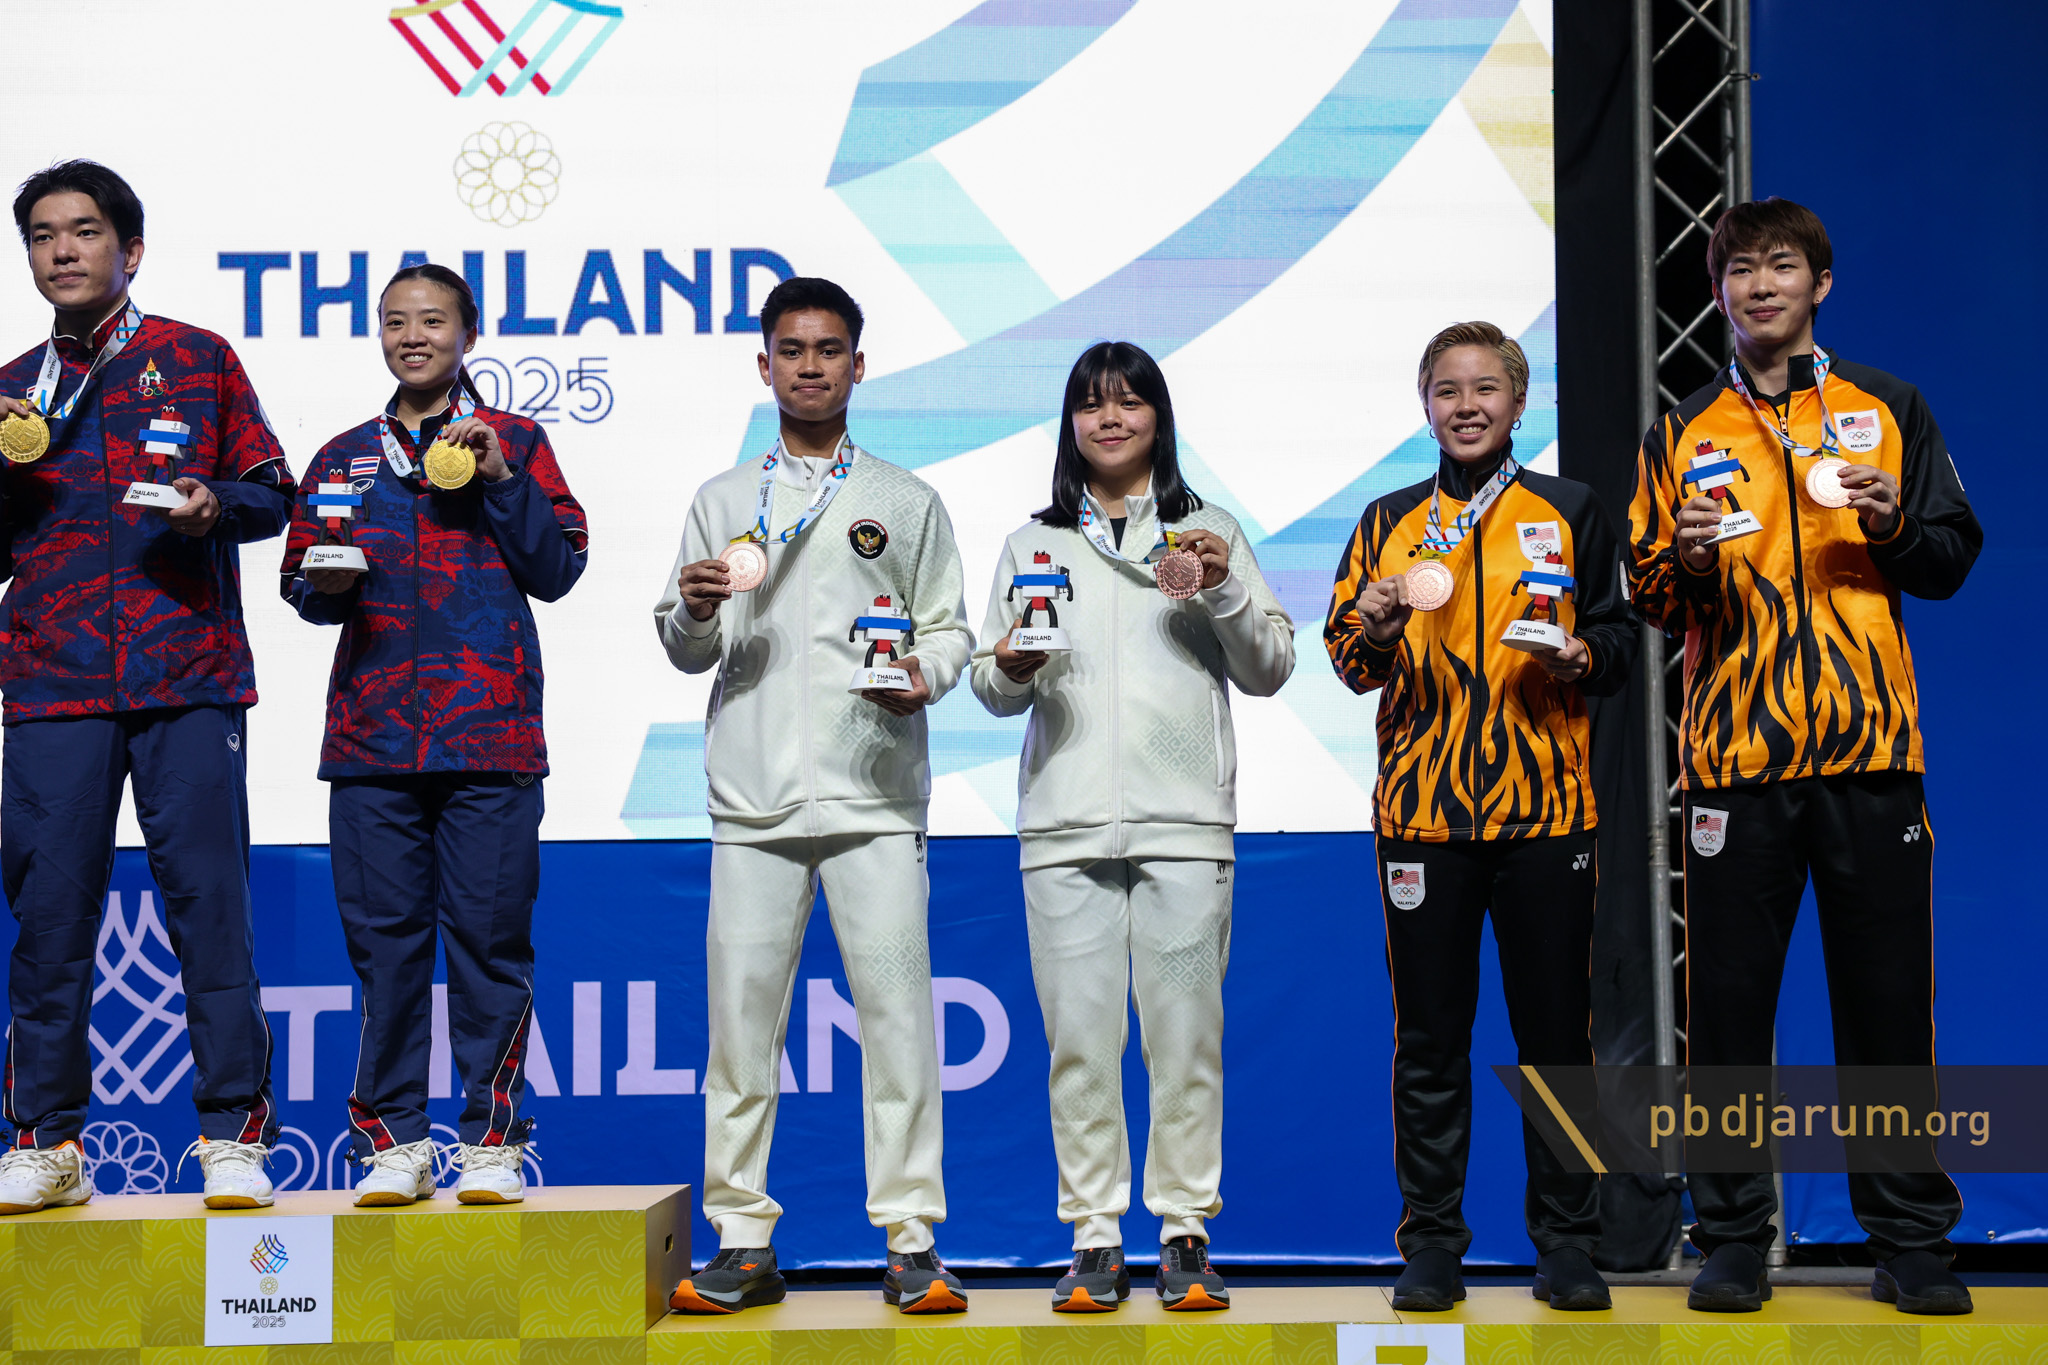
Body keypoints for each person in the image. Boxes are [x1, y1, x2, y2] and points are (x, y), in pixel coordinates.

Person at [1626, 198, 1979, 1316]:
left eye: (1780, 265)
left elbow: (1948, 556)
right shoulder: (1681, 430)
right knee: (1728, 1013)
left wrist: (1890, 524)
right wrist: (1684, 560)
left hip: (1871, 758)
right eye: (1738, 270)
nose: (1759, 285)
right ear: (1717, 293)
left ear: (1819, 283)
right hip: (1735, 765)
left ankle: (1909, 1241)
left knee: (1886, 1006)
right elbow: (1645, 593)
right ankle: (1732, 1237)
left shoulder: (1887, 408)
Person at [653, 277, 973, 1315]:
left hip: (875, 799)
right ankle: (742, 1238)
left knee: (898, 1028)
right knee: (741, 1035)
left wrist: (923, 673)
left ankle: (912, 1241)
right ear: (764, 366)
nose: (809, 366)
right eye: (790, 350)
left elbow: (950, 629)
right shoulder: (721, 499)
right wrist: (693, 611)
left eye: (828, 349)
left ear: (857, 365)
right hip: (752, 804)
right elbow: (682, 643)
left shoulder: (904, 499)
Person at [970, 341, 1293, 1313]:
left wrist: (1222, 585)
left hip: (1184, 824)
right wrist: (1010, 666)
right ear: (1069, 424)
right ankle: (1095, 1237)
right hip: (1063, 827)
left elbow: (1271, 666)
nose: (1109, 419)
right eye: (1090, 404)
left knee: (1184, 1041)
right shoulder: (1032, 543)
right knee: (1079, 1045)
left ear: (1159, 416)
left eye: (1128, 401)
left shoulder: (1208, 531)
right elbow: (988, 685)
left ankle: (1185, 1231)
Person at [1324, 321, 1637, 1313]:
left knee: (1557, 1042)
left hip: (1547, 817)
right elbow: (1347, 661)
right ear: (1425, 405)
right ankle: (1430, 1245)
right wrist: (1375, 628)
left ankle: (1569, 1245)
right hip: (1422, 822)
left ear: (1518, 402)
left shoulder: (1570, 510)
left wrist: (1580, 656)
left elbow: (1620, 640)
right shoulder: (1385, 521)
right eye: (1447, 389)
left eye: (1485, 388)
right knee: (1428, 1041)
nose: (1466, 406)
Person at [0, 161, 290, 1214]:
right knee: (48, 924)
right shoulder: (10, 393)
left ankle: (232, 1136)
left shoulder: (197, 360)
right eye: (42, 235)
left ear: (130, 249)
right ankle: (46, 1141)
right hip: (52, 685)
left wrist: (218, 506)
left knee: (211, 911)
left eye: (83, 231)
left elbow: (275, 494)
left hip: (188, 675)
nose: (62, 250)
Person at [278, 263, 587, 1207]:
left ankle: (491, 1139)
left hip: (490, 738)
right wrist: (324, 584)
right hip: (371, 744)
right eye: (395, 321)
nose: (413, 336)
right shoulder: (342, 455)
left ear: (469, 332)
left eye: (433, 320)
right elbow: (299, 579)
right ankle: (394, 1141)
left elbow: (558, 567)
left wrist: (499, 480)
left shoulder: (517, 443)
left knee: (491, 948)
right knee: (386, 953)